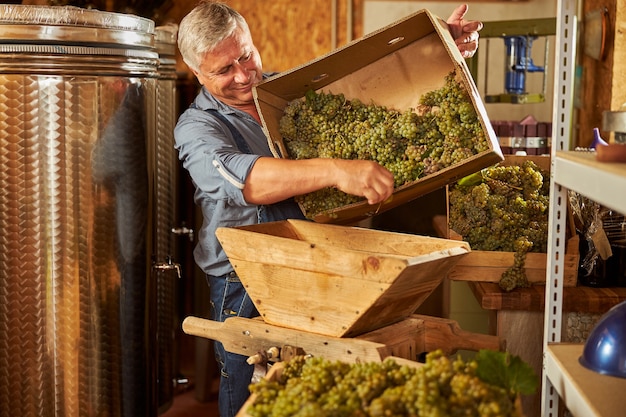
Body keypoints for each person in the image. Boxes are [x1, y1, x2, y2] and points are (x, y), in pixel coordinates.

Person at [174, 2, 483, 416]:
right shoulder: (197, 128)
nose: (244, 75)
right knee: (253, 387)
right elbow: (247, 180)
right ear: (197, 73)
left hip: (321, 260)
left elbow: (372, 92)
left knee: (316, 386)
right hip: (245, 279)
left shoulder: (290, 92)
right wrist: (336, 171)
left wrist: (435, 52)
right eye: (224, 70)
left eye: (246, 55)